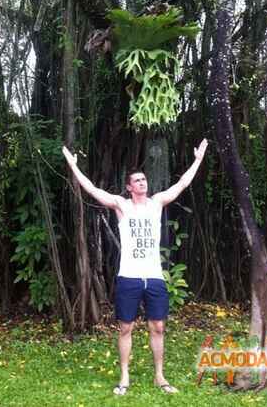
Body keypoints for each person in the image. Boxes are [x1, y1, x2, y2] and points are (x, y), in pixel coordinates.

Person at [62, 138, 208, 395]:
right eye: (138, 181)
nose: (143, 182)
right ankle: (124, 377)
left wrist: (197, 160)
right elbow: (92, 189)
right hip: (129, 277)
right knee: (126, 327)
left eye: (144, 179)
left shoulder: (157, 202)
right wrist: (74, 167)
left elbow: (182, 183)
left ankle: (160, 376)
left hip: (153, 277)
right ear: (129, 187)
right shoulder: (122, 206)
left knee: (158, 327)